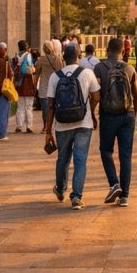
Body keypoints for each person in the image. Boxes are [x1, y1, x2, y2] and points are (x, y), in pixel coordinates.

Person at [44, 44, 100, 210]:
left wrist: (48, 131)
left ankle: (61, 190)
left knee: (63, 159)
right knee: (80, 160)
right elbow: (96, 96)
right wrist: (91, 112)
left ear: (63, 58)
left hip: (61, 125)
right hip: (84, 123)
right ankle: (76, 197)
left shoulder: (55, 76)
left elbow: (51, 106)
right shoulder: (87, 73)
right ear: (79, 56)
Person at [95, 38, 137, 208]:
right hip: (127, 115)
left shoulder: (99, 68)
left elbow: (96, 94)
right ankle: (124, 197)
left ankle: (114, 184)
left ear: (107, 50)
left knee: (106, 151)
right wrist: (132, 115)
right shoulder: (130, 68)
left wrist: (93, 113)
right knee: (125, 156)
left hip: (107, 115)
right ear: (123, 51)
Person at [13, 40, 38, 134]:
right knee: (28, 106)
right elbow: (29, 67)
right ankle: (29, 126)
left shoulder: (15, 57)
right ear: (27, 47)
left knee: (20, 107)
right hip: (28, 82)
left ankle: (19, 126)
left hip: (19, 84)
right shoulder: (28, 56)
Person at [35, 40, 63, 120]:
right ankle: (55, 124)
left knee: (45, 109)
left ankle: (45, 127)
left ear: (44, 49)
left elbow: (37, 75)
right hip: (56, 86)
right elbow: (61, 72)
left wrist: (34, 88)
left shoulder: (40, 60)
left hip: (44, 87)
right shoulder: (59, 59)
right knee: (56, 107)